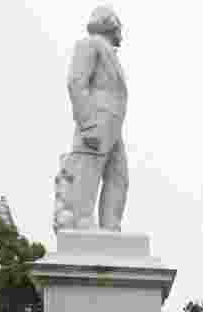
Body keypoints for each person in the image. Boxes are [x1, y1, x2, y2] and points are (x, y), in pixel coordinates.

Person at [56, 6, 130, 232]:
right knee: (88, 172)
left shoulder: (108, 52)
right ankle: (80, 222)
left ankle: (111, 227)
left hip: (112, 126)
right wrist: (87, 124)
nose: (122, 33)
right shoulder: (89, 44)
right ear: (110, 23)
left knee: (119, 177)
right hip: (95, 121)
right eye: (120, 26)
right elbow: (76, 82)